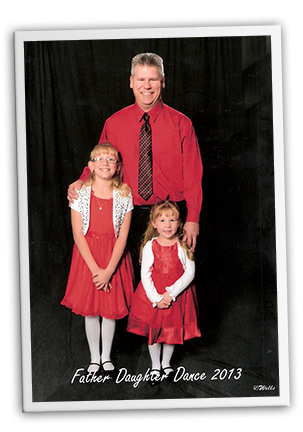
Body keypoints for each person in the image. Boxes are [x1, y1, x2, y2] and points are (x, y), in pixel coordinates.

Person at [67, 53, 203, 256]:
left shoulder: (181, 124)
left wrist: (193, 218)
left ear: (162, 82)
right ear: (131, 82)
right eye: (141, 79)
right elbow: (100, 162)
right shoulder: (113, 123)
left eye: (153, 80)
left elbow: (193, 175)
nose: (146, 86)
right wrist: (81, 180)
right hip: (126, 214)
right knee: (128, 282)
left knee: (168, 283)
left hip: (169, 214)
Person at [61, 143, 134, 376]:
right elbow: (77, 234)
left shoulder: (124, 194)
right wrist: (96, 270)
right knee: (91, 311)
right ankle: (94, 358)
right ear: (90, 166)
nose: (105, 163)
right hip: (88, 258)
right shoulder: (80, 193)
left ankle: (106, 357)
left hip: (113, 257)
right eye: (100, 159)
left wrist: (109, 270)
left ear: (118, 167)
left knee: (109, 310)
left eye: (111, 160)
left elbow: (123, 237)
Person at [127, 200, 201, 385]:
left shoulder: (182, 245)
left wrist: (170, 294)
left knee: (171, 331)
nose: (167, 225)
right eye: (162, 221)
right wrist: (156, 299)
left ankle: (166, 364)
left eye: (172, 220)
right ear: (154, 223)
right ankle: (155, 366)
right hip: (154, 295)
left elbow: (189, 273)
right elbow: (145, 274)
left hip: (177, 295)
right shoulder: (151, 246)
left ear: (179, 223)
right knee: (155, 331)